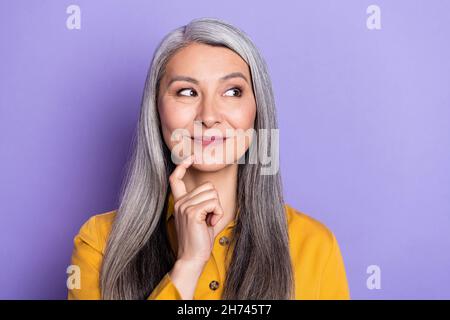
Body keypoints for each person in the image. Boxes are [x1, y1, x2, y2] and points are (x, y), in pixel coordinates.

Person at [68, 17, 350, 300]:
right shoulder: (101, 244)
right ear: (156, 111)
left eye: (232, 92)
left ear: (257, 111)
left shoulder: (315, 245)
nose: (209, 117)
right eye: (187, 92)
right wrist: (188, 264)